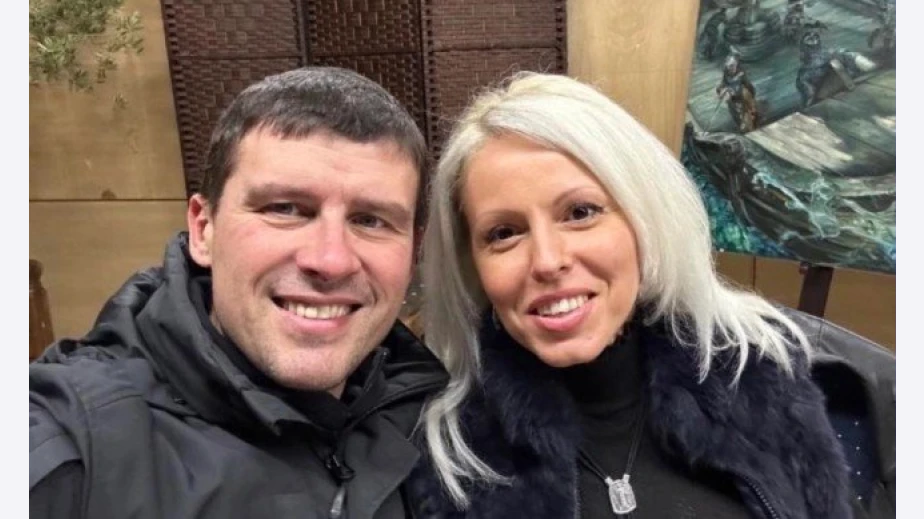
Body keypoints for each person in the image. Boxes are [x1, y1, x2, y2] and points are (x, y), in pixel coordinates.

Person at [404, 73, 895, 518]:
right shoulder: (439, 459)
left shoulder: (781, 381)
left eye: (580, 213)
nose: (548, 261)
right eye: (504, 233)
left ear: (643, 219)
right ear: (472, 263)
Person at [29, 67, 448, 518]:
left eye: (370, 220)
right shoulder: (66, 452)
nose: (330, 260)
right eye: (285, 209)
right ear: (203, 230)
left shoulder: (444, 435)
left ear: (413, 251)